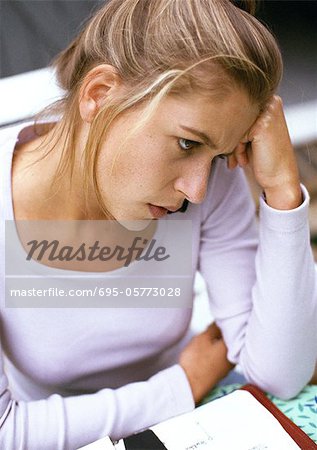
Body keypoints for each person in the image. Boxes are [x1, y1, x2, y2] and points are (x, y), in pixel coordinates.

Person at [0, 0, 316, 448]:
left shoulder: (209, 183)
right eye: (187, 143)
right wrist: (182, 385)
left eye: (220, 155)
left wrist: (283, 192)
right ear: (99, 94)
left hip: (192, 420)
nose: (198, 191)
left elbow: (282, 373)